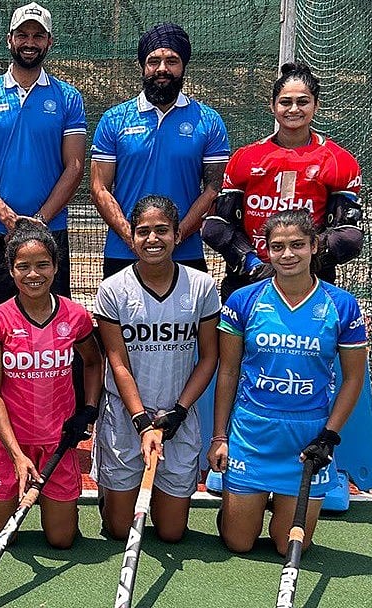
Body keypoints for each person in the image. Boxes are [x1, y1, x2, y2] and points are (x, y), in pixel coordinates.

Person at [0, 1, 87, 467]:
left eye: (38, 35)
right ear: (11, 39)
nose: (30, 42)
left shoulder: (68, 98)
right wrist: (5, 213)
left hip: (47, 233)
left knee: (52, 331)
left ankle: (56, 422)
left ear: (48, 42)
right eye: (23, 34)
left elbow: (75, 166)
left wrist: (35, 221)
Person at [208, 210, 367, 555]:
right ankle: (243, 504)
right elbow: (229, 372)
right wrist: (220, 437)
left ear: (314, 246)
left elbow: (353, 378)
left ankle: (276, 502)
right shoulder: (243, 300)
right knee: (238, 543)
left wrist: (329, 437)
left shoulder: (342, 305)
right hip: (253, 432)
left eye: (297, 245)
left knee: (289, 546)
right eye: (277, 246)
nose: (288, 254)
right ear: (266, 251)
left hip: (307, 439)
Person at [93, 195, 219, 543]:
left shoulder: (202, 287)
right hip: (127, 415)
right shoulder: (112, 289)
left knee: (171, 533)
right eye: (143, 231)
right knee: (119, 530)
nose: (152, 239)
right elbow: (117, 361)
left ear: (178, 235)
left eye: (162, 230)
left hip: (177, 417)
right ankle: (112, 490)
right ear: (130, 237)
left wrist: (177, 413)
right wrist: (141, 421)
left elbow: (208, 357)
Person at [0, 219, 103, 549]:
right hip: (8, 443)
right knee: (1, 537)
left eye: (43, 265)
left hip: (56, 444)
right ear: (11, 270)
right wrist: (16, 455)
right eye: (24, 266)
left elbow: (93, 361)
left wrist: (88, 410)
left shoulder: (76, 316)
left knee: (62, 540)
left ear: (56, 267)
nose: (34, 274)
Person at [202, 62, 363, 300]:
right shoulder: (245, 157)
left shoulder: (338, 160)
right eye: (285, 102)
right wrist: (252, 263)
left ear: (316, 105)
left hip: (311, 283)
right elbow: (218, 226)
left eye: (303, 102)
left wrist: (300, 262)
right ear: (273, 106)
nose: (294, 109)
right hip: (248, 280)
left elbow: (348, 235)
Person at [91, 23, 229, 278]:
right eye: (154, 61)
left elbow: (213, 189)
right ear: (142, 66)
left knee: (188, 320)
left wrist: (175, 237)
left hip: (185, 252)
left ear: (184, 66)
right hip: (123, 252)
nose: (162, 69)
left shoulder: (208, 121)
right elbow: (99, 188)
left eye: (172, 61)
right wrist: (133, 237)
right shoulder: (114, 119)